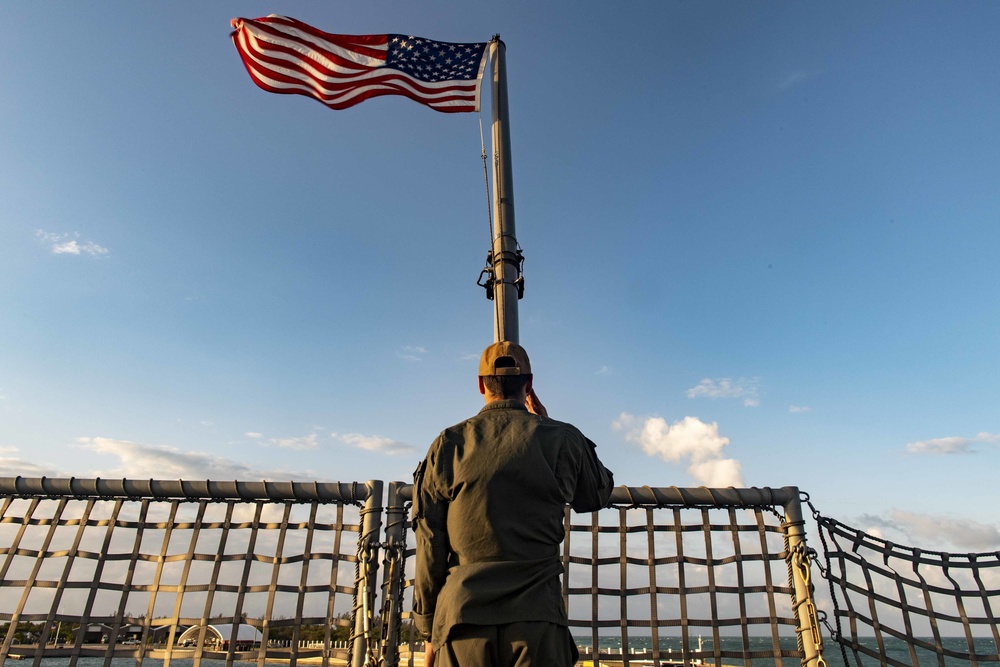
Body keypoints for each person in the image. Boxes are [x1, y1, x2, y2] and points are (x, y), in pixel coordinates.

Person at [412, 341, 615, 667]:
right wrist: (549, 424)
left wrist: (428, 627)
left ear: (480, 385)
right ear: (530, 384)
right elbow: (596, 493)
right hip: (537, 618)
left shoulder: (448, 443)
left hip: (462, 616)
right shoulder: (562, 438)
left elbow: (429, 541)